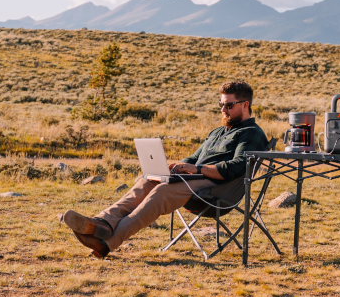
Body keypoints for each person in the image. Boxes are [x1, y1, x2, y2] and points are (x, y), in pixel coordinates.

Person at [59, 80, 269, 258]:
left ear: (245, 105)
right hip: (195, 181)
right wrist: (179, 166)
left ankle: (105, 244)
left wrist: (195, 169)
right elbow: (195, 157)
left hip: (217, 189)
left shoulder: (251, 133)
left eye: (229, 105)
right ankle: (102, 223)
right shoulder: (217, 132)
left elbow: (236, 167)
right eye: (221, 105)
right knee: (148, 180)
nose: (223, 110)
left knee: (162, 191)